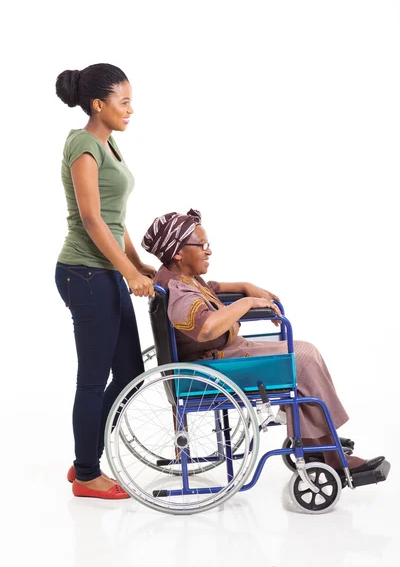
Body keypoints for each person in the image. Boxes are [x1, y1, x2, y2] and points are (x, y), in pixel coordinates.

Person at [142, 209, 386, 477]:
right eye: (201, 245)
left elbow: (213, 287)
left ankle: (318, 441)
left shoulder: (179, 277)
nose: (208, 251)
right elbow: (206, 329)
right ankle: (330, 454)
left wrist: (246, 286)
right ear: (178, 252)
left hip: (225, 355)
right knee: (302, 359)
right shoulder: (179, 291)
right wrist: (247, 303)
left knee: (303, 353)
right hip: (214, 366)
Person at [55, 63, 155, 499]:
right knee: (93, 379)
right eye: (124, 101)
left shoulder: (108, 144)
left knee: (130, 371)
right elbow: (92, 220)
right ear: (99, 104)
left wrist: (138, 263)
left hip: (107, 270)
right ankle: (87, 475)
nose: (131, 109)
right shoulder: (83, 144)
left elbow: (115, 219)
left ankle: (85, 459)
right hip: (84, 272)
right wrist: (128, 271)